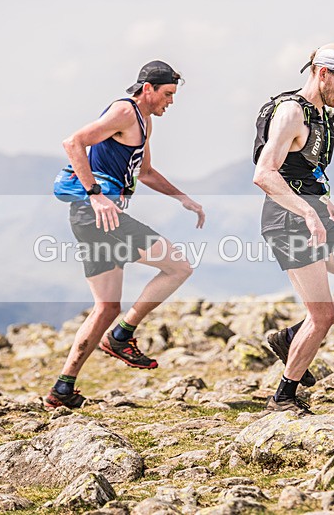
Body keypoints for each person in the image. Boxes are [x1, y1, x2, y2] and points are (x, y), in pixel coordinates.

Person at [45, 60, 206, 409]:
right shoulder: (124, 111)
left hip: (92, 218)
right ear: (147, 89)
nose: (171, 102)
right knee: (179, 267)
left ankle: (62, 389)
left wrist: (182, 198)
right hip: (98, 214)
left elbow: (145, 172)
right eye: (167, 94)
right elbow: (73, 142)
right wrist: (96, 195)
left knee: (105, 307)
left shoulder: (143, 122)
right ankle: (121, 336)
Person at [253, 43, 334, 415]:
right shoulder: (292, 112)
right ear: (322, 73)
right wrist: (307, 213)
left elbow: (303, 167)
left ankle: (292, 336)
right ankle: (283, 397)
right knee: (323, 314)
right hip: (288, 220)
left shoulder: (321, 114)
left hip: (313, 212)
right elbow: (264, 174)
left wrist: (323, 200)